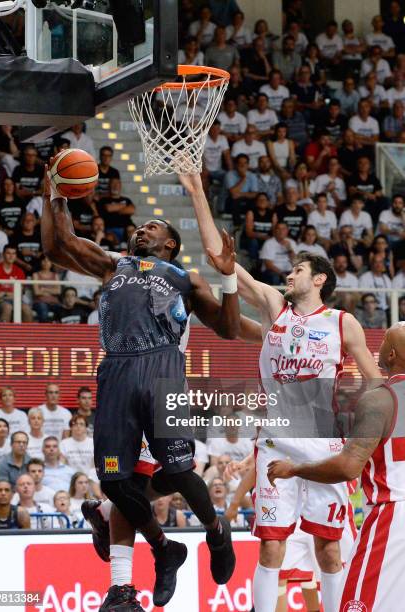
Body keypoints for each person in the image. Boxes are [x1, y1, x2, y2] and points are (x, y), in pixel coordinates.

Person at [42, 167, 263, 610]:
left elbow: (227, 327)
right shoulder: (114, 264)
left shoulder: (185, 278)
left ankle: (216, 534)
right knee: (115, 481)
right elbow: (57, 245)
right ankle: (163, 549)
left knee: (178, 471)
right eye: (141, 227)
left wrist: (228, 279)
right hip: (118, 370)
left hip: (163, 370)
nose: (142, 229)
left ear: (170, 246)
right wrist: (56, 196)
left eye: (154, 228)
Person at [182, 171, 380, 612]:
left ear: (320, 280)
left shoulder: (342, 323)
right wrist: (197, 193)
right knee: (271, 546)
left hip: (321, 441)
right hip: (274, 441)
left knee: (329, 549)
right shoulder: (275, 307)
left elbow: (376, 384)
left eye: (298, 271)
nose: (289, 276)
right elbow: (222, 257)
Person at [267, 323, 405, 612]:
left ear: (391, 355)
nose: (373, 347)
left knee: (357, 604)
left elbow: (347, 466)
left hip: (394, 518)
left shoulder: (381, 398)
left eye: (381, 342)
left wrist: (295, 469)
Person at [0, 244, 33, 323]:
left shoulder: (20, 271)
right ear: (3, 254)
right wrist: (8, 294)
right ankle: (4, 334)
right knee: (7, 307)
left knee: (27, 309)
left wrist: (4, 293)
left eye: (13, 253)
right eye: (8, 253)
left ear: (16, 256)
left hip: (15, 300)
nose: (11, 256)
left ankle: (28, 335)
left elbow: (19, 294)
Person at [241, 192, 277, 261]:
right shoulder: (251, 212)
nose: (262, 202)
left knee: (271, 242)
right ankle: (254, 262)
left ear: (268, 202)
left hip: (266, 239)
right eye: (260, 200)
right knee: (254, 242)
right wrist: (265, 237)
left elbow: (275, 231)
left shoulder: (272, 214)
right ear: (256, 202)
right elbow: (249, 233)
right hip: (252, 240)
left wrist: (268, 238)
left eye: (264, 200)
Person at [32, 255, 61, 322]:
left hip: (54, 302)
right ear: (40, 262)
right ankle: (44, 331)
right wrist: (52, 291)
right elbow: (37, 292)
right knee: (43, 312)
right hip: (40, 302)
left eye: (48, 261)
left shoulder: (55, 275)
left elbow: (58, 291)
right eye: (44, 260)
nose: (46, 263)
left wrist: (44, 289)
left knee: (61, 310)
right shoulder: (35, 275)